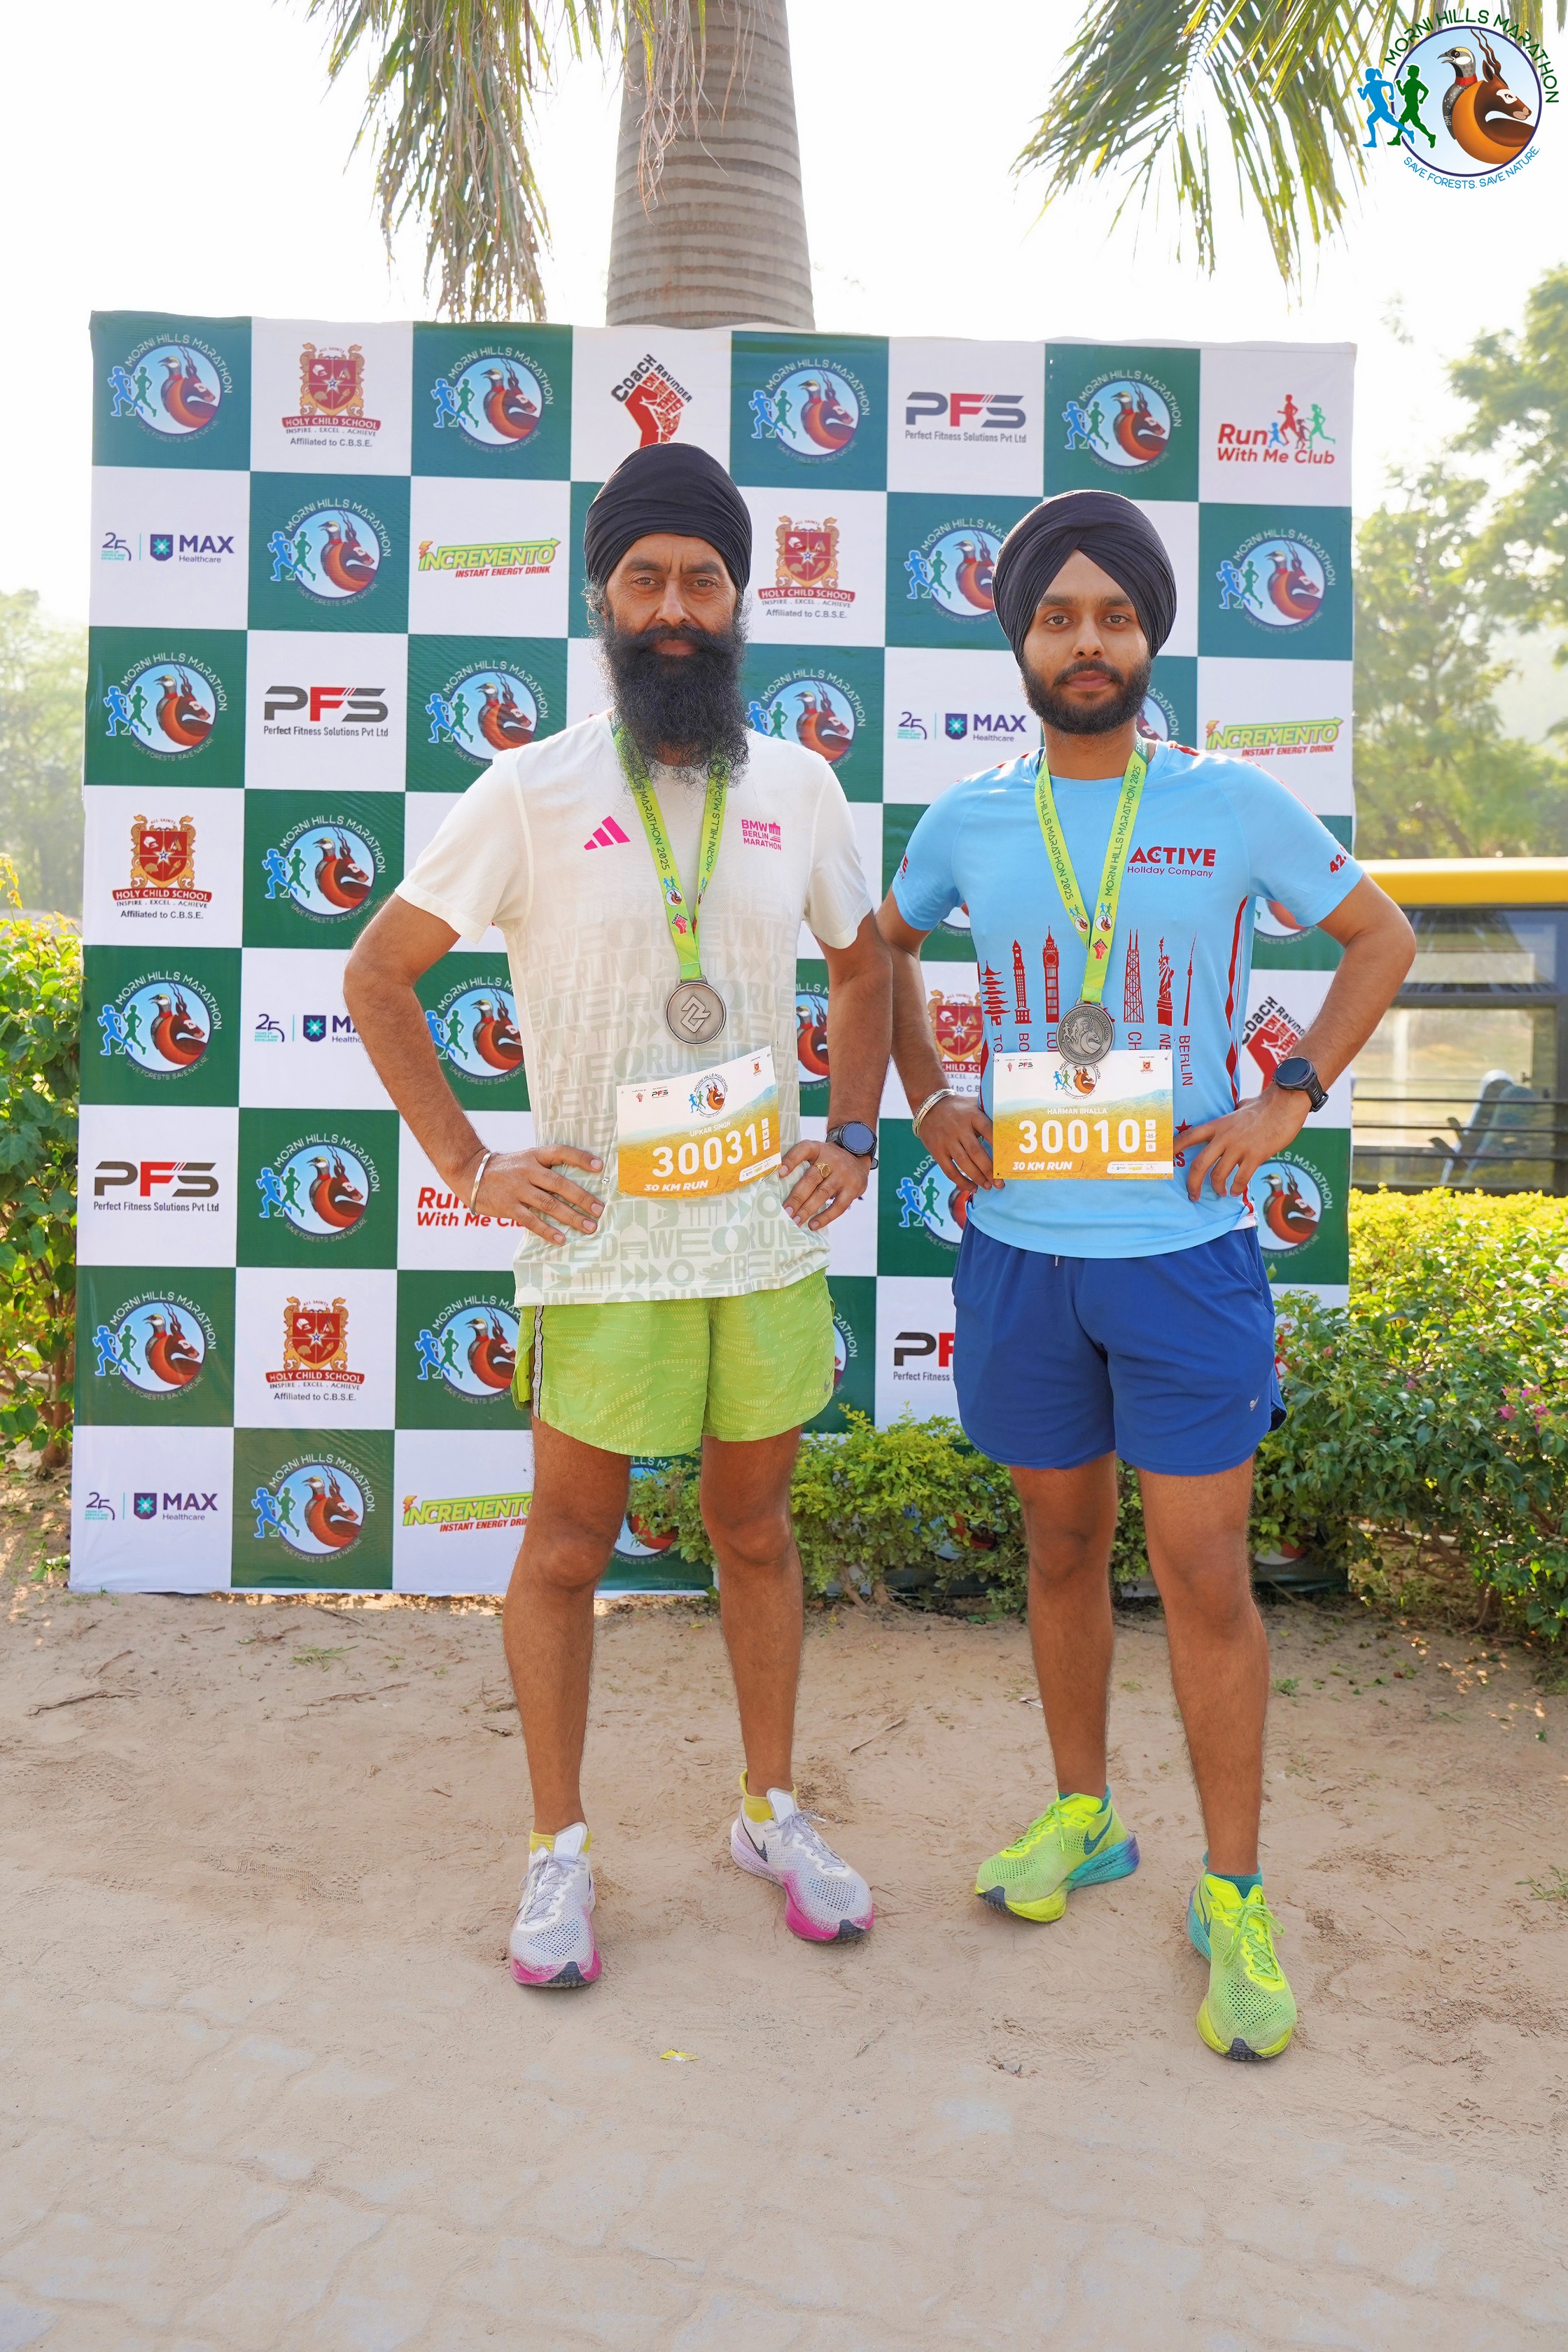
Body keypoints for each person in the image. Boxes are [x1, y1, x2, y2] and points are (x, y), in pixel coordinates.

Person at [876, 487, 1414, 2062]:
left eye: (1114, 616)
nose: (1087, 641)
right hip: (1022, 1257)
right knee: (1059, 1552)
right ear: (1020, 643)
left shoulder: (1232, 800)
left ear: (1151, 638)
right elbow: (878, 952)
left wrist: (1287, 1097)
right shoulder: (968, 819)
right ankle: (1085, 1816)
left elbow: (1378, 938)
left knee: (1202, 1578)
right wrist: (927, 1098)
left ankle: (1231, 1894)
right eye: (1058, 617)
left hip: (1185, 1258)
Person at [346, 442, 890, 1988]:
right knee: (568, 1547)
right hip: (599, 1244)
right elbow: (378, 974)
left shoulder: (797, 786)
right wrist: (471, 1165)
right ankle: (558, 1851)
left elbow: (867, 963)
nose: (674, 608)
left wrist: (854, 1132)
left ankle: (770, 1813)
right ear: (603, 602)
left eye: (702, 580)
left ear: (740, 602)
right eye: (645, 579)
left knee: (754, 1533)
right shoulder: (532, 789)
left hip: (759, 1239)